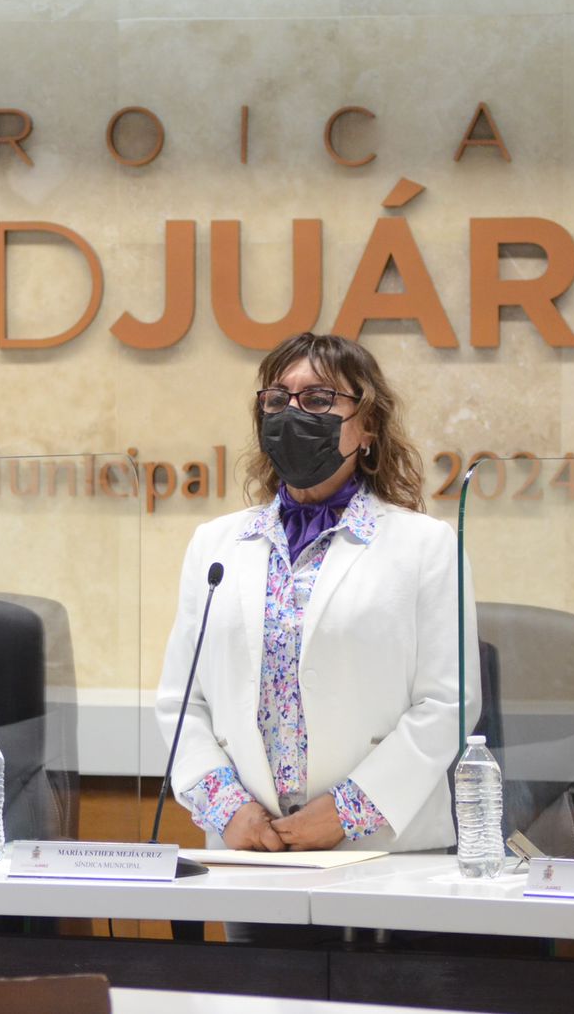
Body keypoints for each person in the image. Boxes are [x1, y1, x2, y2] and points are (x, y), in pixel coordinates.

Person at [155, 333, 477, 854]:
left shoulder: (426, 546)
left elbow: (448, 704)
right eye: (277, 400)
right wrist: (228, 809)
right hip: (250, 849)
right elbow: (181, 701)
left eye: (319, 399)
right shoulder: (214, 545)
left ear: (367, 426)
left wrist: (348, 811)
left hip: (381, 849)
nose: (293, 414)